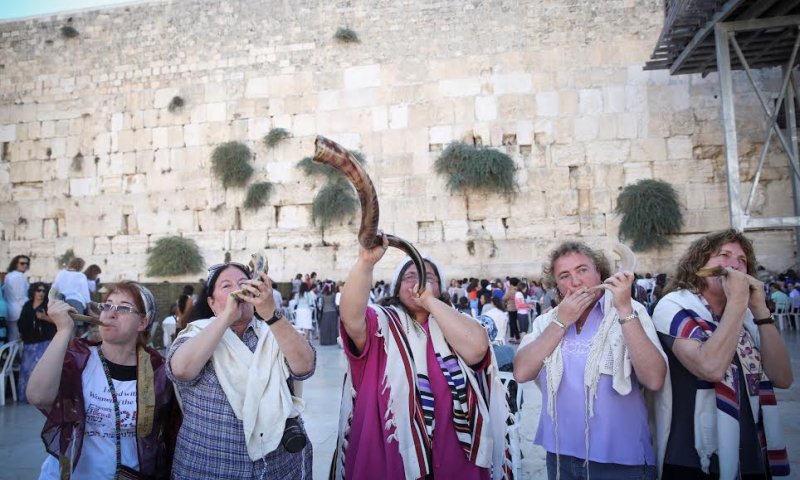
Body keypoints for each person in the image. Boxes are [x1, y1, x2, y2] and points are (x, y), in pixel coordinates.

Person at [333, 235, 512, 479]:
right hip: (390, 457)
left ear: (440, 288)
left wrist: (428, 301)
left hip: (455, 458)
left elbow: (477, 349)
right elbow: (351, 320)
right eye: (409, 276)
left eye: (428, 277)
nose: (418, 281)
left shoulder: (455, 323)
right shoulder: (381, 326)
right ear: (397, 288)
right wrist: (366, 262)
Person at [513, 241, 666, 480]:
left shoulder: (630, 310)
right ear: (557, 286)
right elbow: (522, 372)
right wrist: (561, 322)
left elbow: (654, 378)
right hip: (561, 457)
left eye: (582, 270)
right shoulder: (547, 321)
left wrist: (625, 310)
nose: (575, 281)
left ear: (600, 273)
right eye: (564, 276)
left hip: (621, 460)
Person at [652, 229, 793, 479]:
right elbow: (711, 368)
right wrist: (738, 302)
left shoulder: (748, 316)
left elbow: (782, 378)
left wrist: (760, 311)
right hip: (691, 457)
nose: (734, 265)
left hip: (751, 452)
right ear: (699, 264)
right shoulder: (673, 306)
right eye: (724, 255)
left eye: (742, 260)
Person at [167, 262, 315, 478]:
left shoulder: (274, 331)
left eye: (244, 283)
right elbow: (181, 370)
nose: (238, 290)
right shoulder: (196, 333)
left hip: (278, 466)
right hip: (207, 467)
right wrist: (226, 317)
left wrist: (271, 314)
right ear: (212, 303)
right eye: (226, 286)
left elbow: (305, 367)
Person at [26, 281, 175, 479]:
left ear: (142, 323)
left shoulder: (158, 370)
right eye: (107, 305)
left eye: (124, 308)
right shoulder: (78, 358)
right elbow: (37, 396)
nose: (110, 313)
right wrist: (63, 331)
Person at [17, 282, 56, 403]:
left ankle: (40, 396)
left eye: (44, 291)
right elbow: (21, 322)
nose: (41, 293)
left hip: (45, 341)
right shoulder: (27, 305)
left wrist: (44, 317)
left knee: (38, 369)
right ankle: (26, 396)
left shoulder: (48, 305)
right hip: (29, 342)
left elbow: (58, 322)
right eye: (38, 290)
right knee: (26, 369)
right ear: (33, 291)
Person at [3, 254, 31, 342]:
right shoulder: (19, 276)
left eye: (27, 264)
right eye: (22, 263)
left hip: (10, 310)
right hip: (19, 311)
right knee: (19, 338)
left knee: (12, 336)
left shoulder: (8, 275)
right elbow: (20, 297)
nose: (25, 265)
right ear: (16, 264)